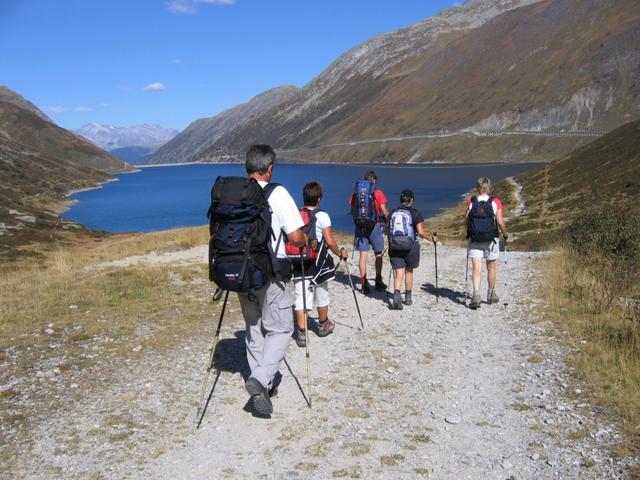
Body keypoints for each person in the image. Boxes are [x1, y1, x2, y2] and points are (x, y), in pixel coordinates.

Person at [239, 144, 307, 417]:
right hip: (270, 272)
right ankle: (262, 378)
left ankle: (262, 385)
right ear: (270, 168)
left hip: (240, 272)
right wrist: (305, 239)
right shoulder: (277, 193)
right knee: (280, 328)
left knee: (254, 327)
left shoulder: (236, 193)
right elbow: (294, 236)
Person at [291, 181, 349, 347]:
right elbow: (329, 241)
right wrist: (340, 253)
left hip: (299, 261)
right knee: (321, 293)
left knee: (301, 295)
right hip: (318, 263)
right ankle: (323, 324)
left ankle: (301, 333)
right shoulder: (322, 216)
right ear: (318, 199)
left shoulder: (295, 214)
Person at [388, 189, 437, 310]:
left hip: (394, 246)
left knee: (398, 272)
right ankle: (408, 298)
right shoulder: (416, 213)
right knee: (409, 271)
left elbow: (387, 229)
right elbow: (420, 232)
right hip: (410, 246)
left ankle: (397, 294)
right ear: (412, 200)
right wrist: (431, 238)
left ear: (401, 200)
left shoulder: (393, 212)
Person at [464, 177, 508, 310]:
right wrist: (504, 233)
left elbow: (466, 221)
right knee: (491, 267)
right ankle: (491, 294)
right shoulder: (496, 202)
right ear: (489, 187)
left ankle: (476, 295)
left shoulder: (471, 201)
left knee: (476, 268)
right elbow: (500, 222)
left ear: (477, 187)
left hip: (475, 239)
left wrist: (469, 232)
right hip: (491, 239)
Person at [349, 170, 389, 294]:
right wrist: (388, 221)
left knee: (363, 256)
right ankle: (378, 280)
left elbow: (352, 209)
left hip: (360, 227)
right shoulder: (378, 192)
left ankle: (364, 282)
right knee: (378, 254)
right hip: (375, 226)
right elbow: (384, 211)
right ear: (375, 180)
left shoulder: (356, 193)